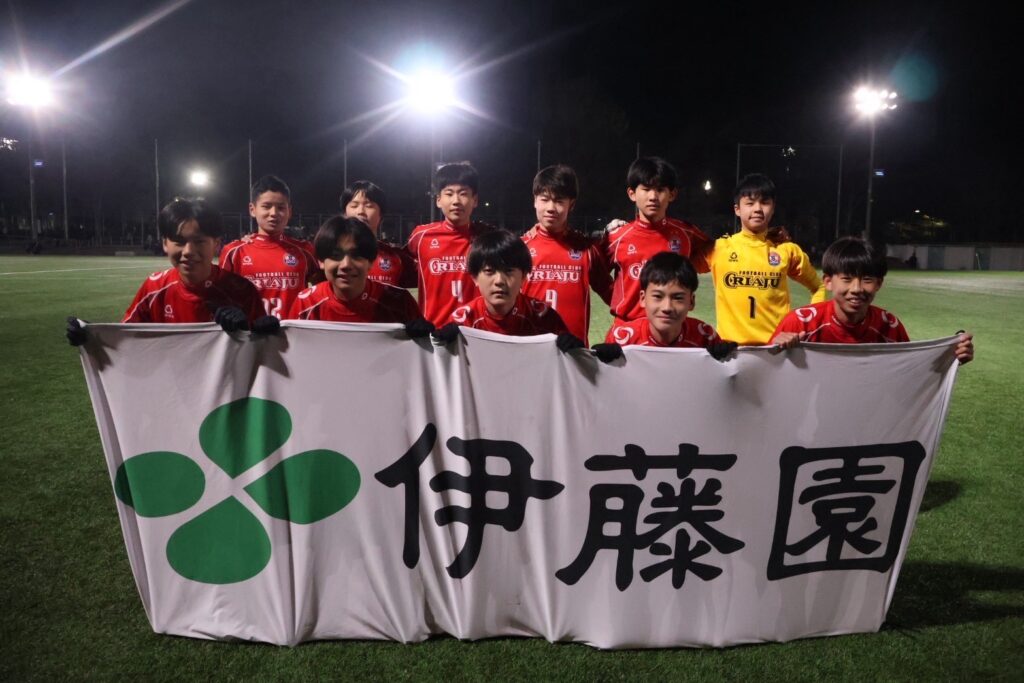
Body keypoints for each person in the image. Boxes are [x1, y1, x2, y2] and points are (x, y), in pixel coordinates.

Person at [66, 197, 273, 343]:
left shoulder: (241, 290)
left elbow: (264, 353)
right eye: (179, 242)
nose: (188, 252)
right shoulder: (154, 288)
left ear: (216, 244)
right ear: (165, 244)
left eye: (199, 241)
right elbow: (126, 339)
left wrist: (250, 329)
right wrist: (91, 336)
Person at [772, 237, 974, 363]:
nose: (857, 289)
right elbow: (766, 371)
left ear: (879, 284)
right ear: (828, 282)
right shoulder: (800, 323)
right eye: (847, 279)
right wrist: (775, 348)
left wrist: (952, 357)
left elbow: (908, 372)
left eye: (867, 279)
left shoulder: (889, 326)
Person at [702, 173, 825, 345]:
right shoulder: (718, 248)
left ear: (773, 208)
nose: (758, 209)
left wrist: (807, 326)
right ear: (737, 209)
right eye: (750, 203)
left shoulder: (786, 250)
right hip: (732, 353)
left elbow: (819, 287)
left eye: (765, 202)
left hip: (776, 350)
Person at [603, 157, 712, 323]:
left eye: (660, 189)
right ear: (632, 194)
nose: (653, 196)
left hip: (671, 329)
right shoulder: (616, 237)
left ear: (672, 194)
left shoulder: (687, 234)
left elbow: (717, 255)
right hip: (628, 329)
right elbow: (593, 273)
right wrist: (618, 300)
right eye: (646, 189)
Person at [433, 230, 581, 348]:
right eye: (489, 271)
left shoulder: (543, 317)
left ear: (524, 277)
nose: (499, 281)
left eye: (509, 271)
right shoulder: (463, 320)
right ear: (475, 278)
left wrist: (574, 351)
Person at [287, 216, 430, 334]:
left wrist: (431, 339)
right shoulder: (306, 303)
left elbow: (423, 354)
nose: (346, 265)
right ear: (321, 261)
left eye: (356, 255)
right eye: (336, 255)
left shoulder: (400, 302)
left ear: (370, 262)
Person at [521, 164, 612, 345]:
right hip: (531, 350)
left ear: (572, 204)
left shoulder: (586, 249)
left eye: (559, 201)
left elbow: (615, 297)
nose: (551, 208)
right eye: (544, 199)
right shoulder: (519, 248)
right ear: (535, 201)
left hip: (574, 351)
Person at [406, 162, 494, 326]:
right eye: (449, 193)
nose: (456, 201)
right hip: (434, 331)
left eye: (463, 193)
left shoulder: (488, 237)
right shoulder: (421, 236)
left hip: (476, 331)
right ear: (438, 200)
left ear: (475, 200)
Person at [599, 252, 735, 359]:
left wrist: (729, 359)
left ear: (691, 302)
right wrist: (600, 363)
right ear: (643, 298)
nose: (667, 308)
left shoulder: (704, 337)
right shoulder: (622, 338)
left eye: (678, 298)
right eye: (658, 296)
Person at [219, 175, 319, 319]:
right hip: (251, 331)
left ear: (289, 211)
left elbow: (323, 290)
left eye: (281, 207)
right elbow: (221, 297)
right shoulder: (234, 252)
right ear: (252, 209)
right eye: (266, 206)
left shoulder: (305, 250)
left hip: (294, 331)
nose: (274, 213)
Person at [340, 180, 416, 287]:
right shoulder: (327, 253)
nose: (360, 211)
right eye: (354, 206)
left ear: (381, 215)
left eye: (369, 206)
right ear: (344, 213)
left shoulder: (397, 258)